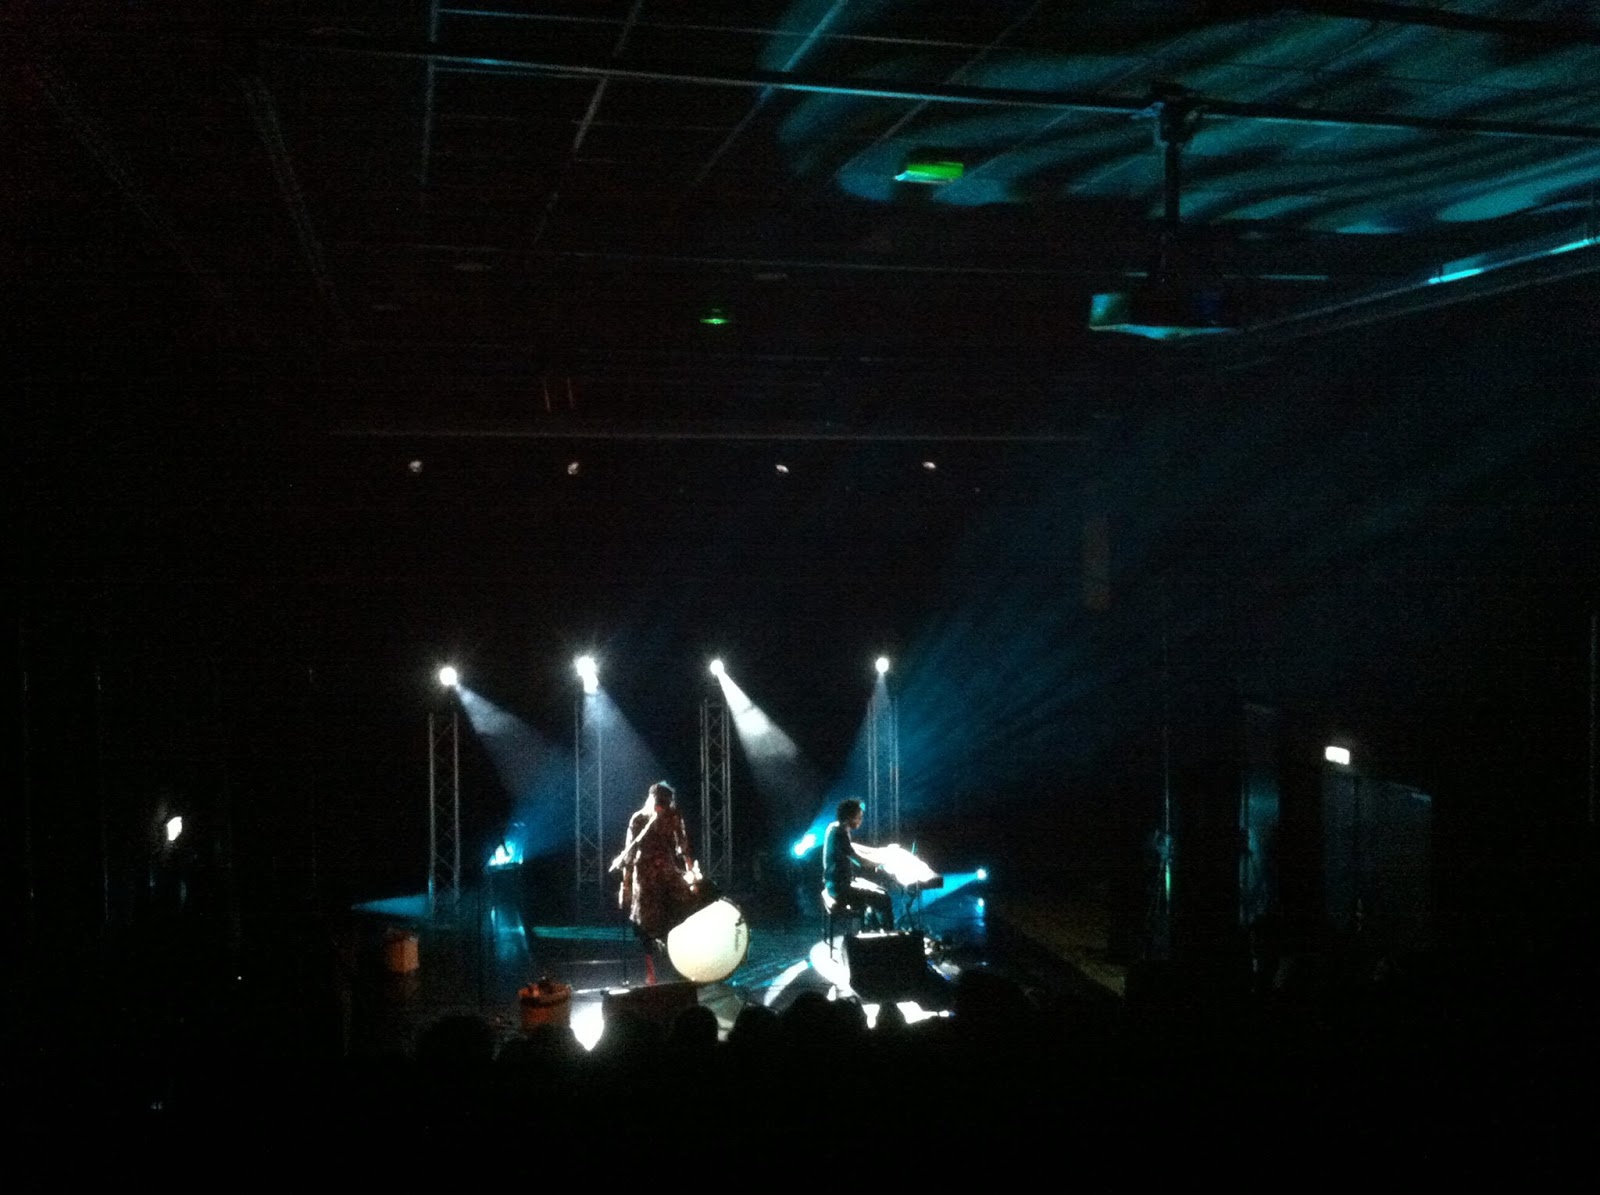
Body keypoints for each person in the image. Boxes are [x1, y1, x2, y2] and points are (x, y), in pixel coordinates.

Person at [611, 782, 699, 979]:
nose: (662, 805)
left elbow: (683, 847)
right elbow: (629, 855)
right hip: (644, 875)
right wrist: (625, 886)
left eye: (666, 802)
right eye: (660, 801)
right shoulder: (639, 819)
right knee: (646, 922)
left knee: (683, 908)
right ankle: (651, 972)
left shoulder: (673, 816)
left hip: (666, 871)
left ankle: (683, 962)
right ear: (651, 799)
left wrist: (691, 875)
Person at [822, 798, 894, 931]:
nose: (860, 821)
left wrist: (880, 852)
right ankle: (888, 936)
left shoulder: (834, 827)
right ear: (849, 817)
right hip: (840, 889)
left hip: (834, 883)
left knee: (880, 890)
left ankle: (872, 929)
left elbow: (852, 848)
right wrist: (880, 863)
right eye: (858, 817)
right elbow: (859, 861)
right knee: (884, 898)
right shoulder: (840, 833)